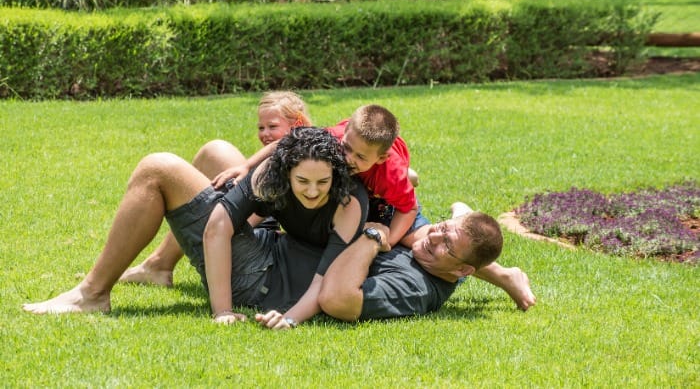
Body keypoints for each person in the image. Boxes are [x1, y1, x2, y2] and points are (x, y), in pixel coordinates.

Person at [23, 127, 368, 330]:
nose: (312, 190)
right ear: (287, 171)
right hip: (270, 245)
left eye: (321, 182)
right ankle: (159, 266)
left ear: (336, 174)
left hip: (260, 276)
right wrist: (222, 311)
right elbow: (219, 225)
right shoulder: (271, 173)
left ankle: (92, 294)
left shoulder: (349, 202)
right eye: (302, 181)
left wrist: (230, 311)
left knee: (158, 168)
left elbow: (326, 280)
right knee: (215, 151)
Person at [217, 104, 536, 310]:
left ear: (380, 157)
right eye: (347, 150)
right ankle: (461, 221)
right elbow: (286, 144)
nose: (347, 159)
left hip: (388, 204)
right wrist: (245, 167)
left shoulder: (391, 173)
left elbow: (408, 211)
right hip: (361, 189)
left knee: (423, 240)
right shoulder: (338, 139)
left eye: (358, 157)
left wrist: (389, 239)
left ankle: (503, 273)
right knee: (442, 239)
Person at [119, 90, 312, 287]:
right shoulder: (278, 155)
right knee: (213, 151)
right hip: (258, 218)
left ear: (297, 123)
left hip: (253, 234)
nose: (264, 134)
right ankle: (159, 264)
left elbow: (253, 216)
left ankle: (152, 267)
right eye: (261, 127)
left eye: (272, 126)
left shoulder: (302, 159)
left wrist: (222, 216)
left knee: (163, 173)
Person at [319, 211, 506, 321]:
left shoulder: (415, 287)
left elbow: (338, 300)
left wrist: (373, 237)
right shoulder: (443, 260)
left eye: (447, 244)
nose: (432, 237)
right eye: (442, 227)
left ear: (462, 270)